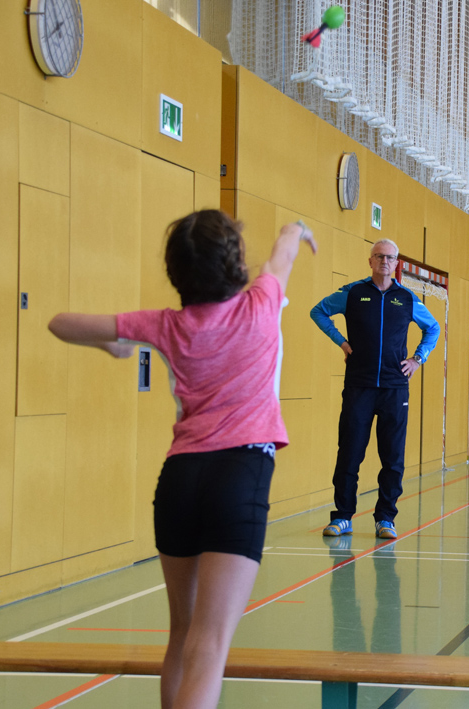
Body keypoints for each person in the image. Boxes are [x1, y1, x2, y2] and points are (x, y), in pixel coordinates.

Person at [48, 210, 317, 709]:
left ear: (178, 272)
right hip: (239, 477)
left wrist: (113, 345)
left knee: (183, 635)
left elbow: (59, 323)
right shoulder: (262, 301)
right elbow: (283, 252)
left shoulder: (165, 325)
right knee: (209, 647)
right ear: (234, 264)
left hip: (179, 481)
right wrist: (297, 230)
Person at [311, 239, 440, 539]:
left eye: (390, 257)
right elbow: (318, 311)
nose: (384, 261)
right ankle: (343, 516)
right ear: (370, 261)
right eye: (379, 256)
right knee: (349, 453)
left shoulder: (407, 298)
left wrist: (418, 359)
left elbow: (433, 328)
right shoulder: (352, 293)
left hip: (395, 388)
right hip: (359, 386)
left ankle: (385, 518)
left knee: (392, 458)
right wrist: (342, 342)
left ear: (396, 264)